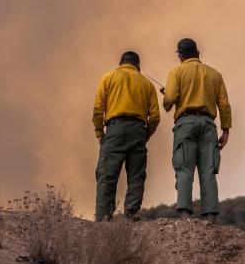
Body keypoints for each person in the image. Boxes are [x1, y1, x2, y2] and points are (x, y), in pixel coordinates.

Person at [162, 38, 232, 222]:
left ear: (180, 55)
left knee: (184, 168)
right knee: (208, 170)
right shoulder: (215, 74)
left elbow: (169, 100)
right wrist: (225, 130)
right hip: (208, 125)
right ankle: (210, 216)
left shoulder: (176, 72)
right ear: (197, 53)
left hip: (185, 124)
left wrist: (168, 97)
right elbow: (224, 105)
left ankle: (185, 214)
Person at [92, 51, 160, 221]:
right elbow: (155, 116)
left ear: (121, 63)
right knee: (136, 176)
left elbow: (98, 109)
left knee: (106, 175)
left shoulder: (108, 78)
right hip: (138, 129)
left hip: (114, 129)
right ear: (138, 65)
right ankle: (131, 215)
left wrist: (99, 132)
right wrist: (145, 135)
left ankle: (103, 218)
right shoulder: (147, 84)